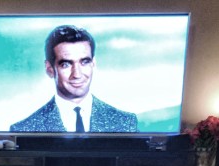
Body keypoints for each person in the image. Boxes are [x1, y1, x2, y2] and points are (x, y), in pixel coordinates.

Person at [9, 25, 138, 133]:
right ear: (49, 69)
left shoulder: (125, 123)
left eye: (84, 62)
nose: (77, 74)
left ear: (93, 64)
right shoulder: (24, 129)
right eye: (66, 64)